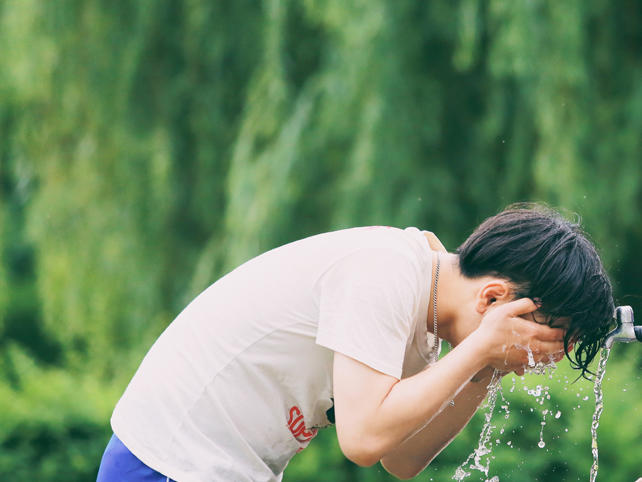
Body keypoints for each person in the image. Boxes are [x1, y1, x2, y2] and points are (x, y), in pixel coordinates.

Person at [97, 204, 614, 481]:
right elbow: (363, 440)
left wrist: (483, 368)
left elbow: (401, 460)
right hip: (169, 462)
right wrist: (481, 348)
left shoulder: (423, 314)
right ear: (495, 298)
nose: (533, 364)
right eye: (537, 342)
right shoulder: (386, 271)